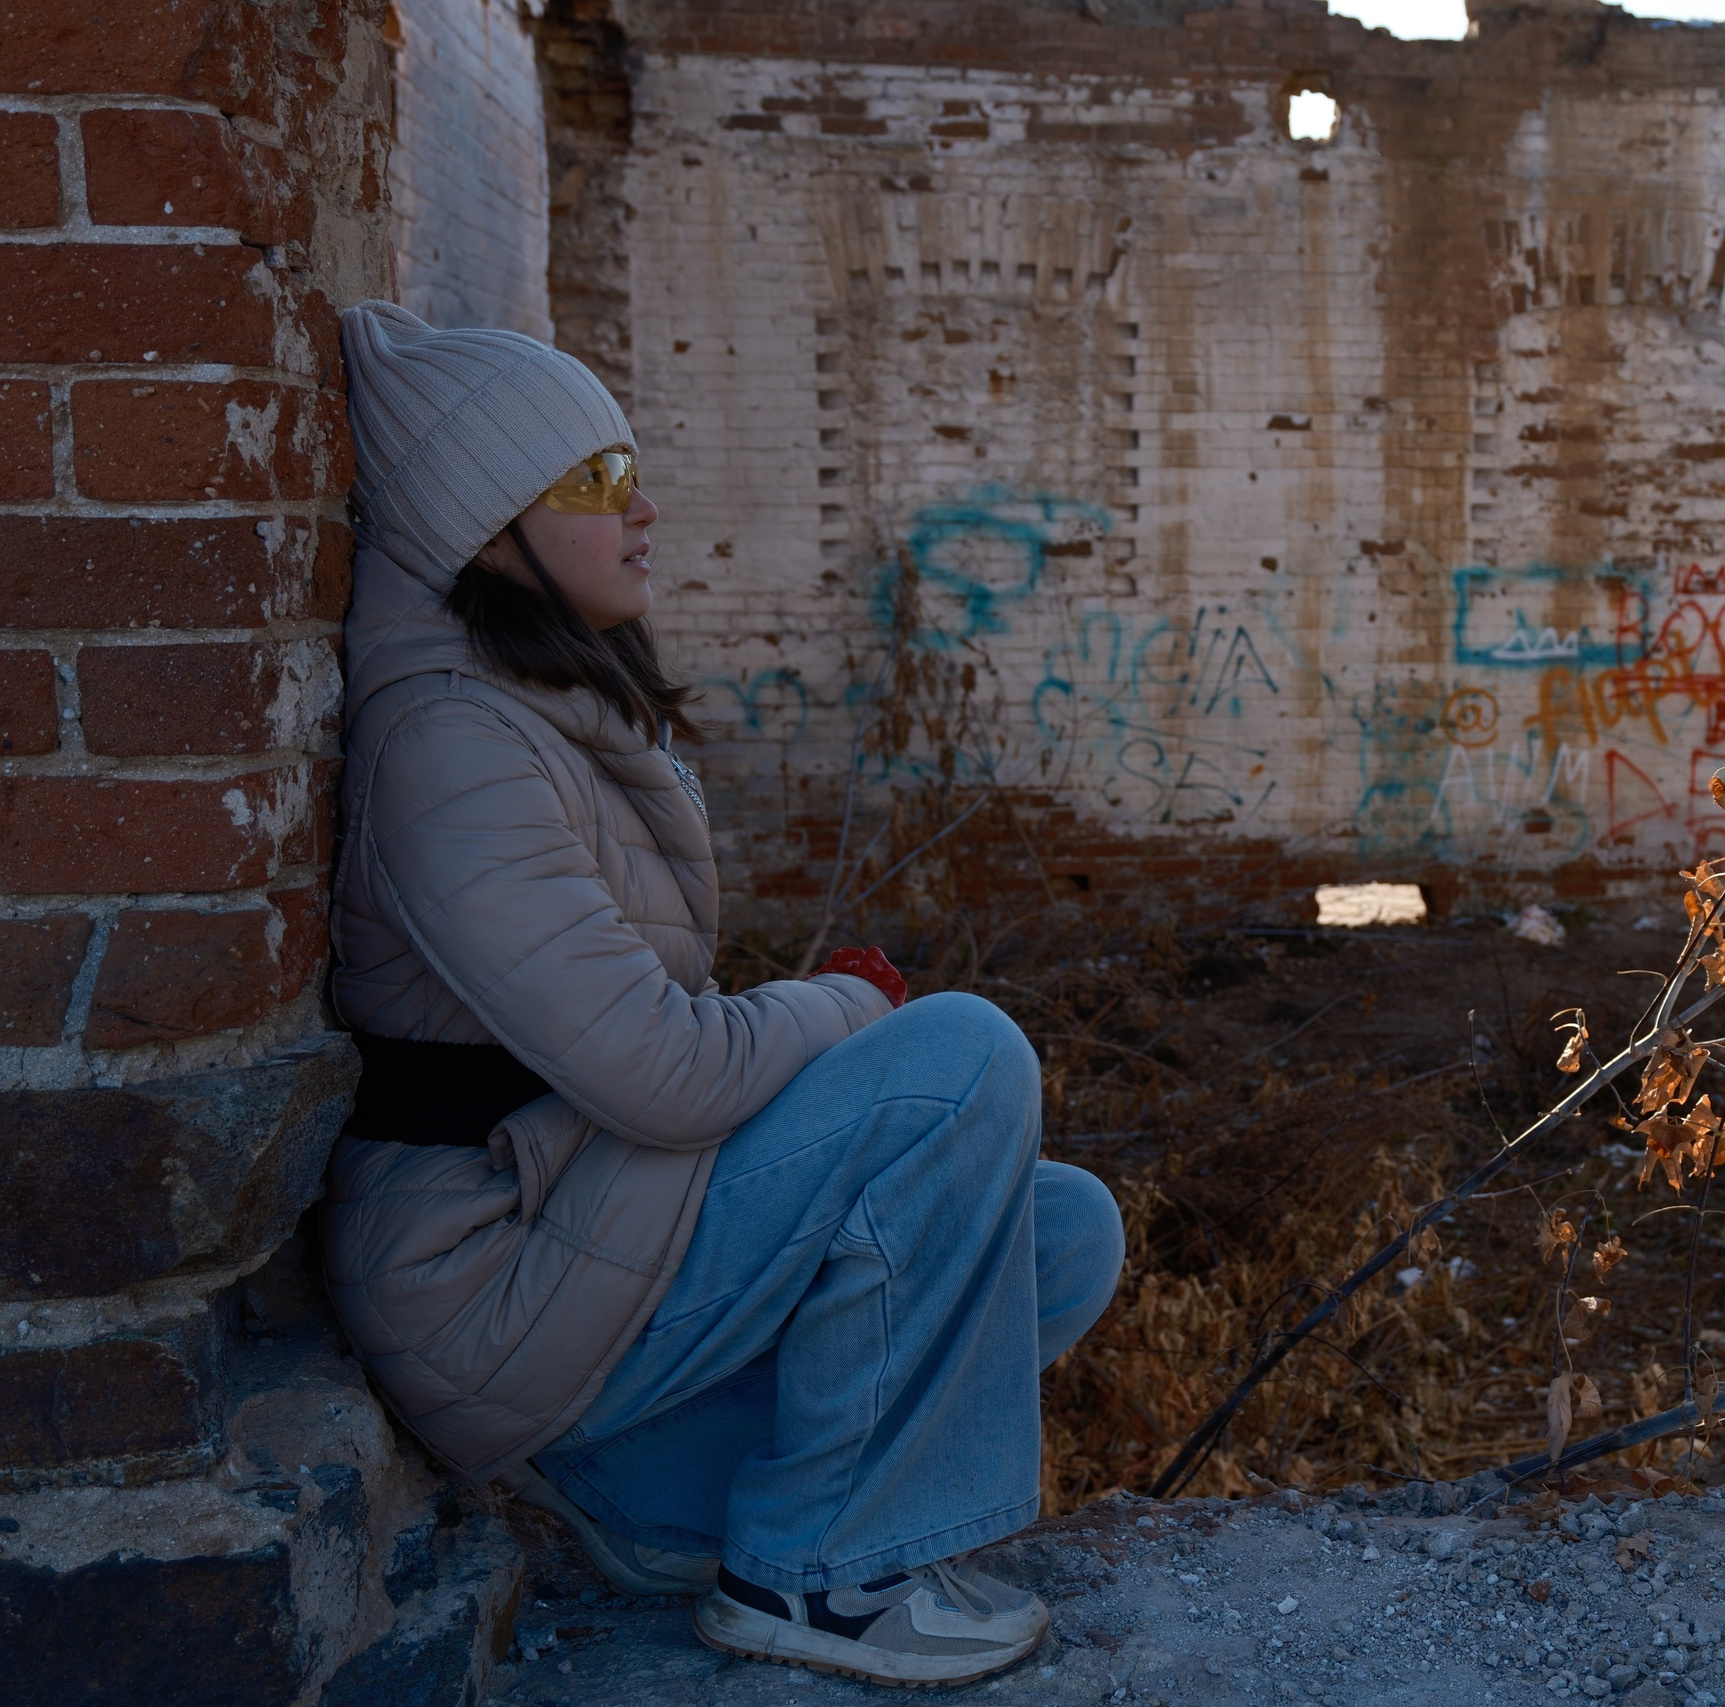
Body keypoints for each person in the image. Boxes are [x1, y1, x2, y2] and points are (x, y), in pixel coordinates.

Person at [320, 303, 1123, 1688]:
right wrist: (849, 1007)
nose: (644, 511)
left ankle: (663, 1503)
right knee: (961, 1058)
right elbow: (659, 1068)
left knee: (1059, 1231)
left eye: (631, 473)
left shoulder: (518, 703)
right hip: (494, 1266)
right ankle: (818, 1575)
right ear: (485, 525)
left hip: (587, 1214)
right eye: (597, 483)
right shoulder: (450, 743)